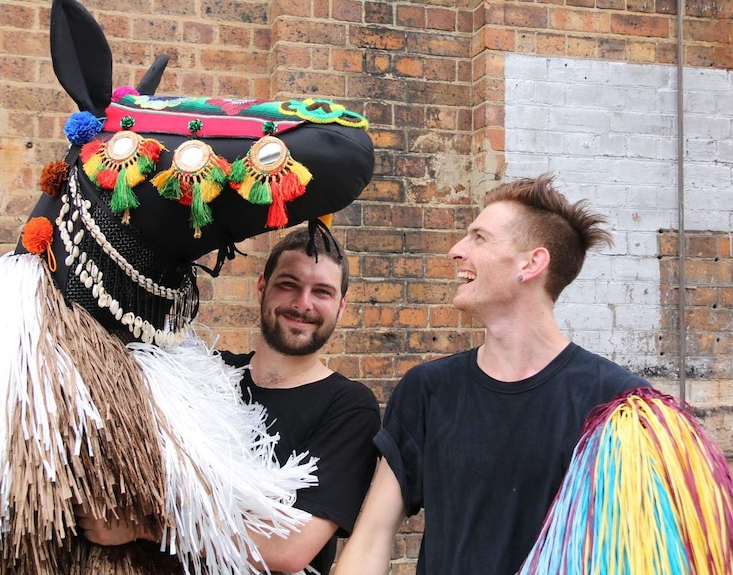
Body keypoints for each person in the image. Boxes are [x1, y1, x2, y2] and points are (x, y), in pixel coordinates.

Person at [331, 175, 651, 575]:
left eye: (479, 238)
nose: (455, 251)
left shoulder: (620, 404)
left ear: (530, 263)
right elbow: (371, 542)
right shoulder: (428, 391)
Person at [78, 228, 381, 575]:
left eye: (322, 292)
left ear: (341, 306)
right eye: (288, 284)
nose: (303, 303)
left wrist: (144, 526)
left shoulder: (349, 408)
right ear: (261, 287)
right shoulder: (207, 375)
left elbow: (289, 548)